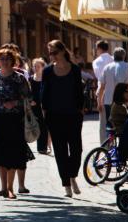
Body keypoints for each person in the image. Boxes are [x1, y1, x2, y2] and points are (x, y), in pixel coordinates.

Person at [0, 48, 33, 199]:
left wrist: (15, 102)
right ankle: (3, 186)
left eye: (7, 59)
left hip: (15, 119)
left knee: (13, 154)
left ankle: (11, 188)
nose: (4, 61)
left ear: (12, 61)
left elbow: (28, 98)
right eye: (2, 59)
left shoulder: (19, 78)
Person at [42, 40, 85, 197]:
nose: (52, 56)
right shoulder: (47, 71)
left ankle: (72, 175)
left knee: (76, 150)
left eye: (54, 52)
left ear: (62, 51)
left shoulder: (74, 70)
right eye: (50, 53)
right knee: (60, 151)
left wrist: (81, 109)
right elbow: (44, 94)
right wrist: (44, 113)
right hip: (54, 116)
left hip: (73, 115)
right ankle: (66, 183)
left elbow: (79, 92)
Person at [97, 48, 128, 133]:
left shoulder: (106, 68)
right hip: (123, 102)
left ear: (113, 56)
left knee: (110, 126)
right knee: (125, 125)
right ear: (124, 56)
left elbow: (102, 87)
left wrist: (99, 102)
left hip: (108, 101)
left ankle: (110, 143)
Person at [92, 40, 113, 144]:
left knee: (103, 123)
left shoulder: (96, 62)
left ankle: (105, 148)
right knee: (114, 121)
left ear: (99, 49)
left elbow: (100, 79)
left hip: (103, 93)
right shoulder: (113, 59)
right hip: (114, 92)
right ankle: (114, 145)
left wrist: (98, 101)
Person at [29, 58, 49, 154]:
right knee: (36, 126)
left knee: (44, 126)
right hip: (34, 106)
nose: (36, 68)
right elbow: (27, 93)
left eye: (38, 66)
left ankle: (43, 147)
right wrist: (30, 101)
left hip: (44, 105)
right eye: (34, 66)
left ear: (42, 67)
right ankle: (40, 146)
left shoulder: (46, 78)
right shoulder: (30, 79)